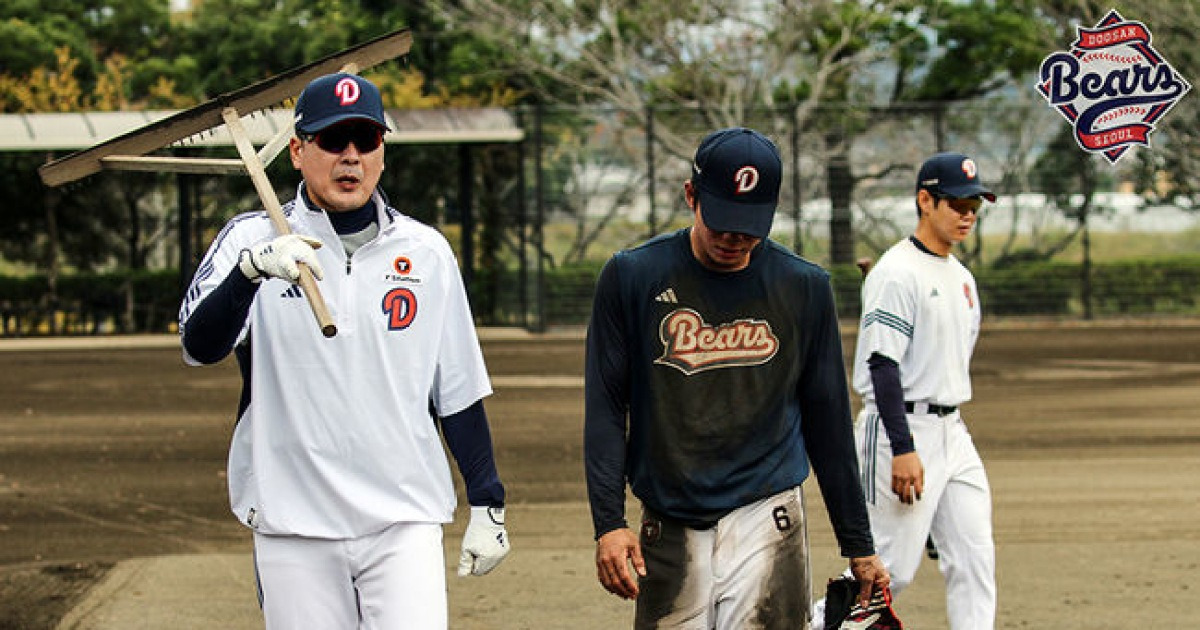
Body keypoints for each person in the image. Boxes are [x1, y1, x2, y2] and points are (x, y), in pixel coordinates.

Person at [178, 72, 510, 630]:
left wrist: (488, 502)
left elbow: (456, 389)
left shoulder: (426, 251)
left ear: (382, 151)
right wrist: (251, 273)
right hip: (293, 522)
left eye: (366, 140)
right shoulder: (249, 239)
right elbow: (199, 346)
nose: (350, 157)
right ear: (297, 150)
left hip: (403, 517)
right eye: (333, 141)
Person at [584, 126, 889, 629]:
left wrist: (859, 545)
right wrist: (608, 524)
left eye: (750, 226)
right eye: (722, 222)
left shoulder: (803, 287)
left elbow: (828, 422)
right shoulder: (632, 276)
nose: (735, 239)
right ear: (691, 195)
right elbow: (605, 407)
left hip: (767, 515)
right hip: (671, 517)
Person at [835, 151, 998, 629]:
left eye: (974, 206)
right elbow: (882, 367)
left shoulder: (963, 279)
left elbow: (947, 360)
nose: (967, 215)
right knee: (889, 570)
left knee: (974, 558)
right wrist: (904, 448)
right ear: (925, 201)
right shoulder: (895, 271)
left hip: (953, 432)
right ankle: (824, 624)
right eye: (957, 204)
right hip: (897, 432)